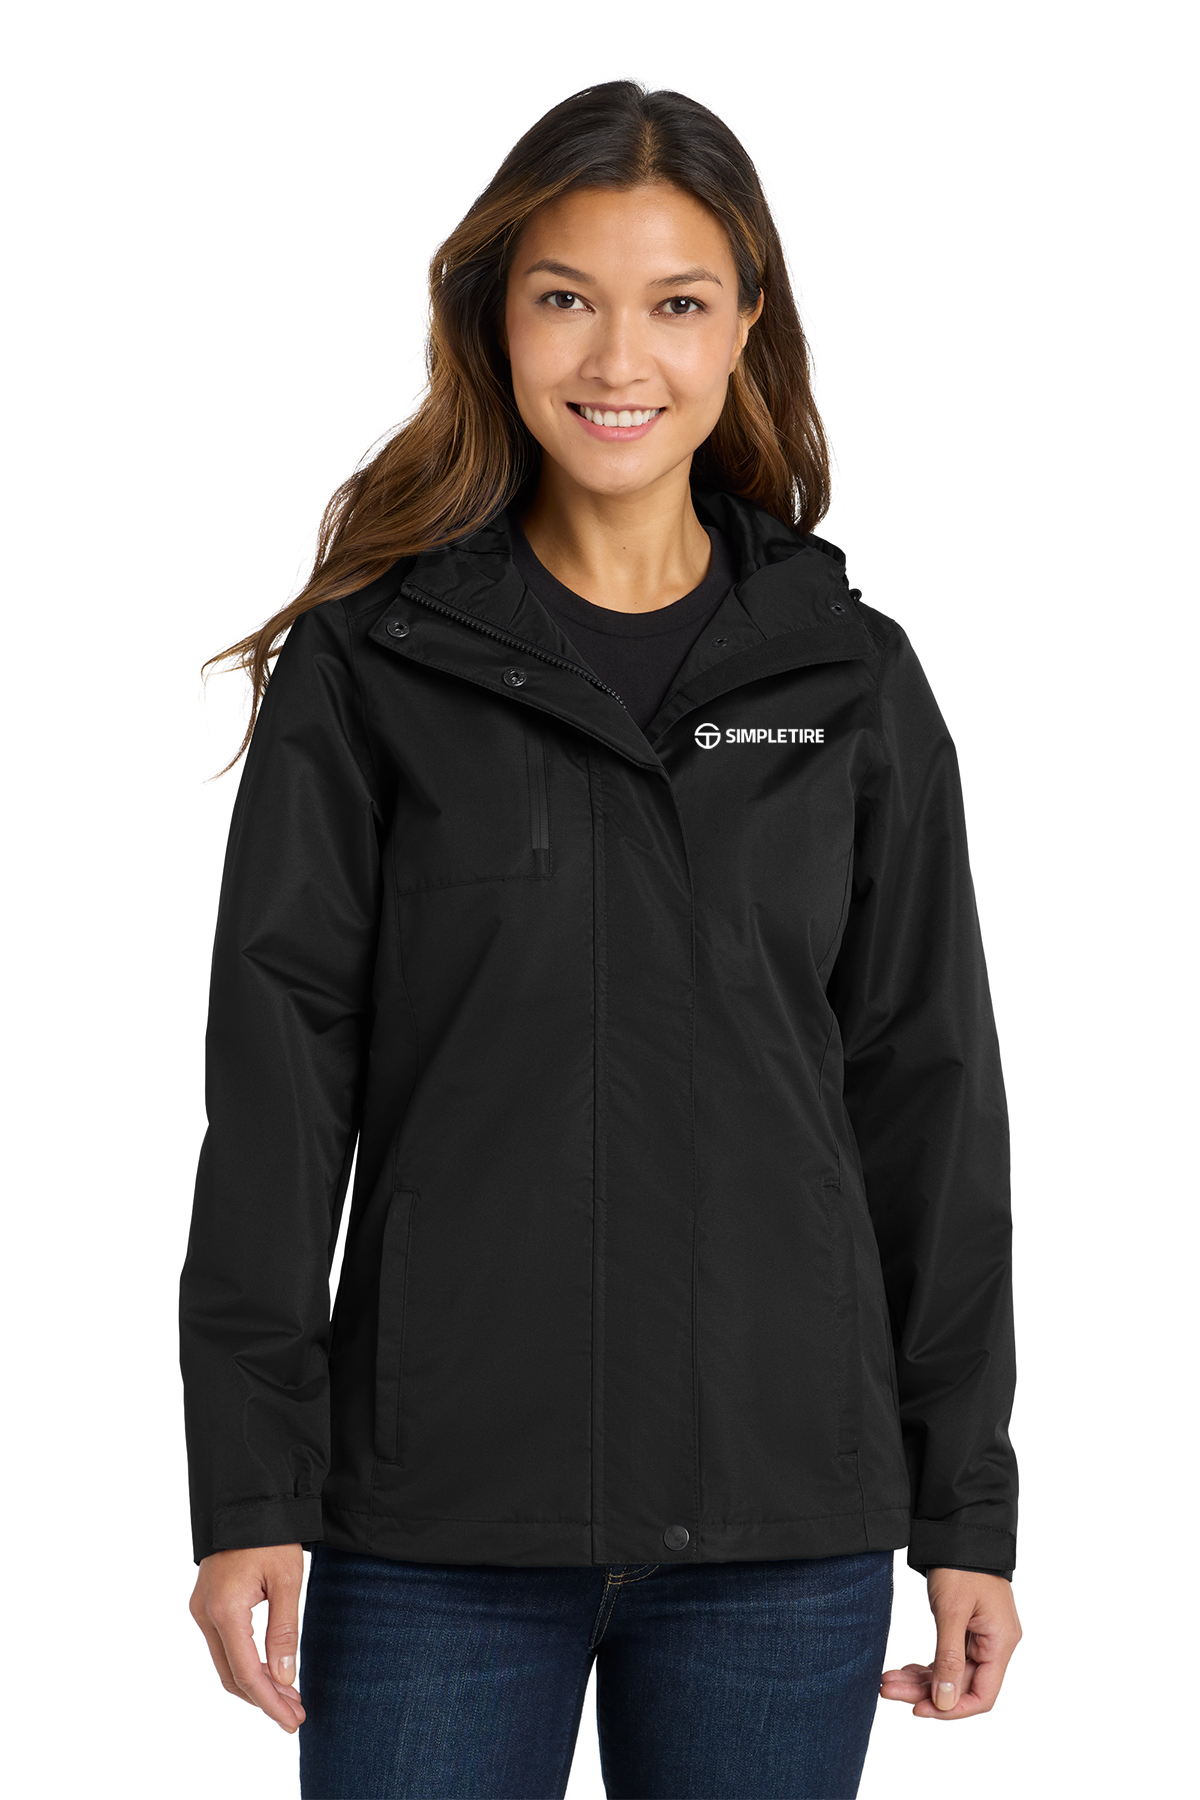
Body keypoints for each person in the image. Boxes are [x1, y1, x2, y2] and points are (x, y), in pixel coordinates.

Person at [181, 79, 1021, 1800]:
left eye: (677, 303)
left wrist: (967, 1510)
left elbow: (928, 1100)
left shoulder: (848, 680)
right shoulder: (371, 668)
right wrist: (248, 1488)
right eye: (566, 297)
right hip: (438, 1518)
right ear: (494, 316)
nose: (619, 357)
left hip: (780, 1522)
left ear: (748, 324)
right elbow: (277, 1092)